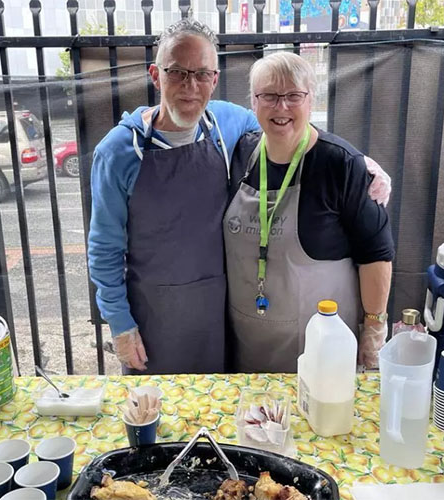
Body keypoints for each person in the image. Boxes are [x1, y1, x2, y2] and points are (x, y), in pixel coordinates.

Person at [89, 20, 391, 375]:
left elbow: (286, 125)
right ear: (155, 75)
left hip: (221, 318)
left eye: (202, 73)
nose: (190, 86)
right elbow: (104, 251)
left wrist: (357, 161)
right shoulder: (118, 152)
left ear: (215, 80)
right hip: (154, 318)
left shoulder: (226, 124)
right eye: (177, 73)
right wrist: (120, 324)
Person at [224, 52, 394, 372]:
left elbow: (376, 253)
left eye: (293, 96)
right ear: (253, 101)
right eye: (269, 95)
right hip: (248, 346)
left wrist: (374, 328)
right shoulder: (240, 152)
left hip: (322, 351)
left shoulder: (340, 164)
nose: (281, 107)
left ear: (311, 99)